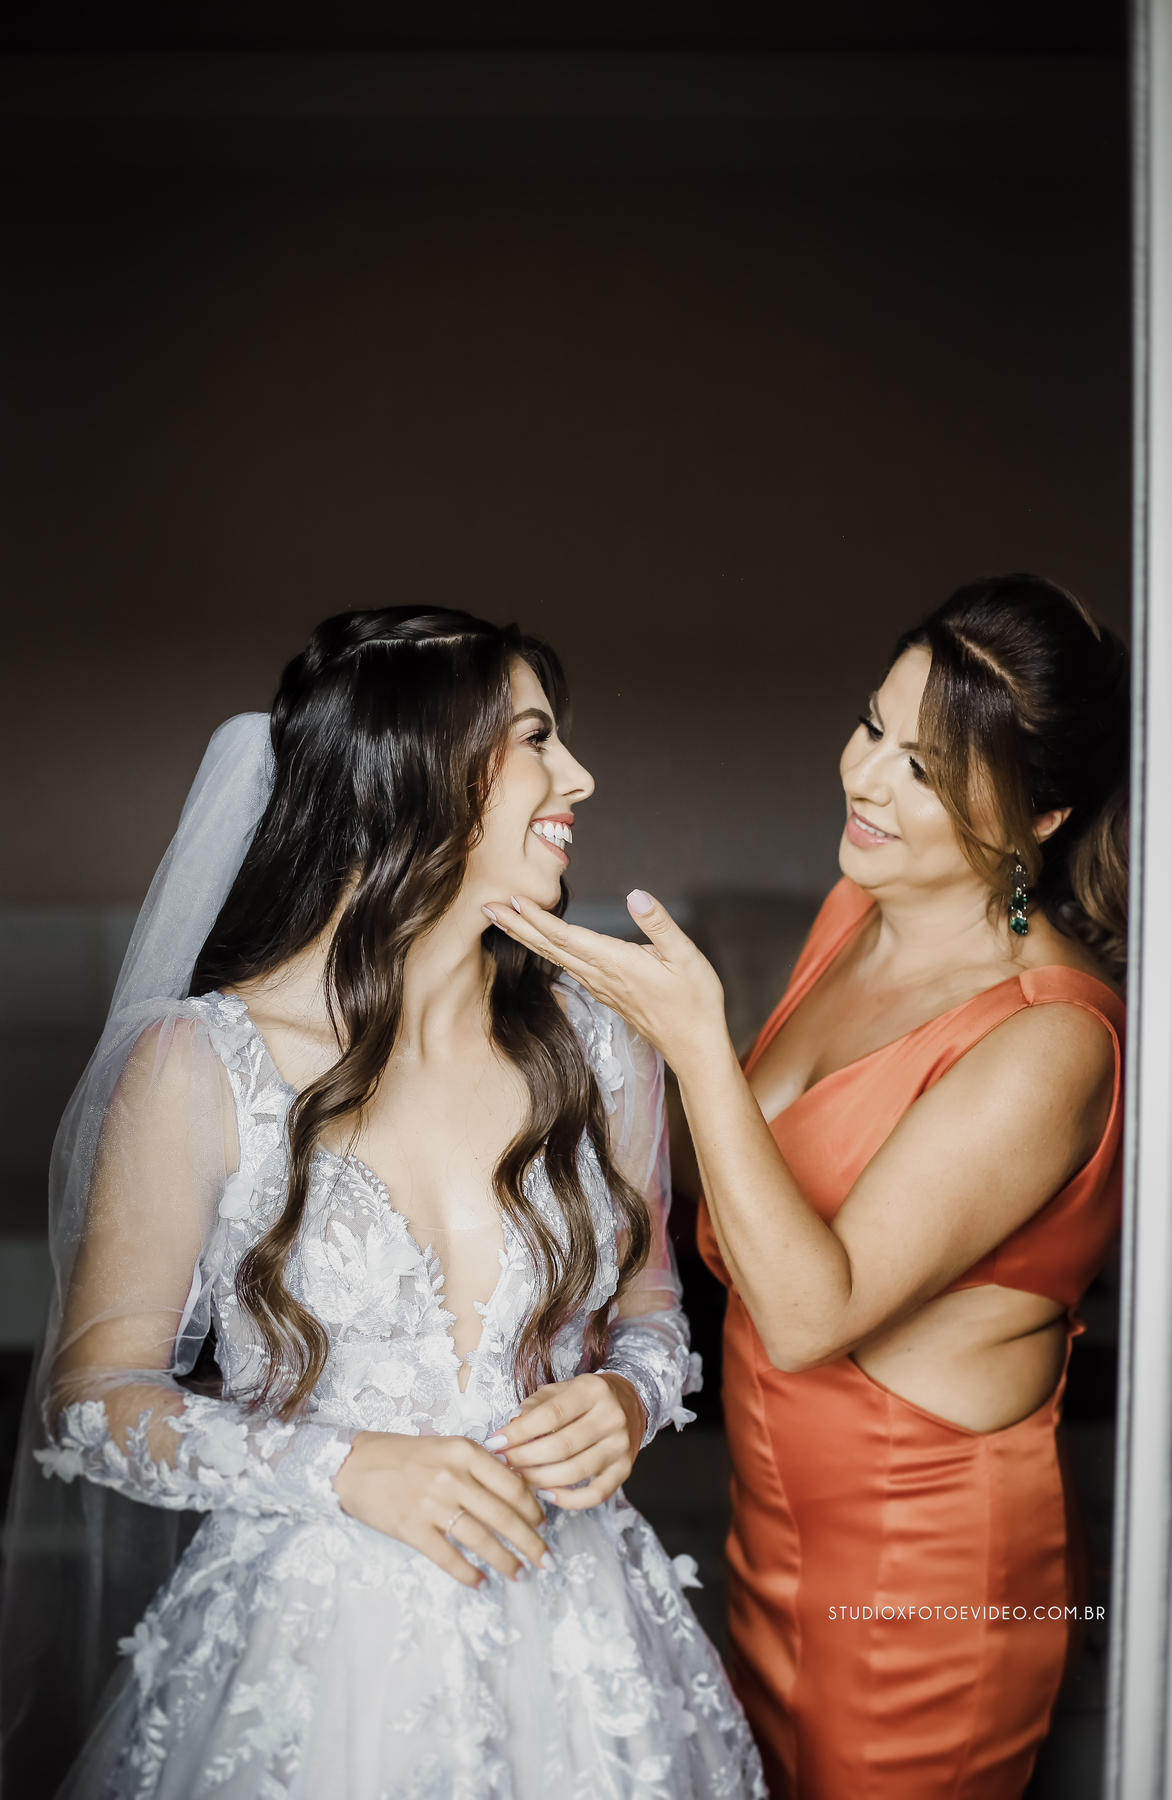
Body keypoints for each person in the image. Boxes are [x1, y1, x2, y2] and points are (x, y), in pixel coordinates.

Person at [0, 608, 766, 1799]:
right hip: (316, 1657)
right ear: (420, 769)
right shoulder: (202, 1068)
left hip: (577, 1645)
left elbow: (654, 1302)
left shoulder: (604, 1046)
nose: (578, 777)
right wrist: (345, 1468)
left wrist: (628, 1394)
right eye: (537, 739)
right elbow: (93, 1399)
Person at [483, 574, 1128, 1799]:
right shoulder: (855, 910)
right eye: (874, 725)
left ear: (1042, 816)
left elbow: (805, 1313)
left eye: (927, 769)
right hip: (777, 1535)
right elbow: (740, 1193)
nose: (868, 779)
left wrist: (693, 1041)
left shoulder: (1052, 1040)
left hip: (927, 1576)